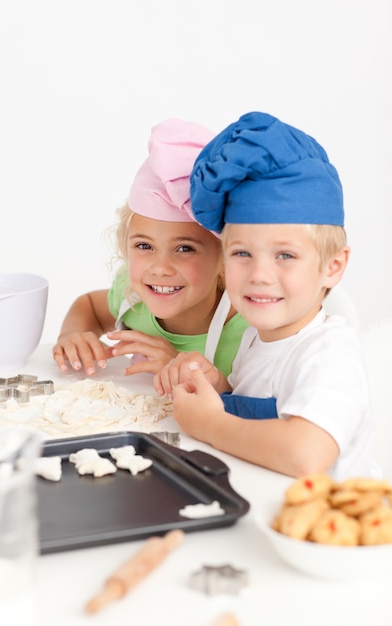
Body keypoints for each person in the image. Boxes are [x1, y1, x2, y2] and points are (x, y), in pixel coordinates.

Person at [154, 111, 379, 481]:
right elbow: (254, 411)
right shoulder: (254, 339)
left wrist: (209, 423)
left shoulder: (330, 353)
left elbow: (305, 454)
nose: (259, 275)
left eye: (285, 256)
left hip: (328, 532)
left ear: (333, 267)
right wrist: (217, 387)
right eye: (242, 253)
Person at [52, 118, 248, 378]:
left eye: (184, 248)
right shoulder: (133, 299)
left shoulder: (252, 329)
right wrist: (73, 334)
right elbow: (88, 305)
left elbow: (264, 406)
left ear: (225, 260)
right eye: (144, 245)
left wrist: (177, 366)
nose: (160, 268)